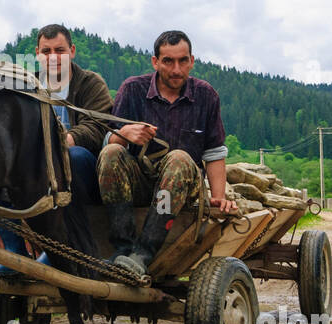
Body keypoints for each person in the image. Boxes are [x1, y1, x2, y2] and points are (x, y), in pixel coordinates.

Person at [98, 29, 237, 276]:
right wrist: (125, 133)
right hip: (141, 181)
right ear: (155, 62)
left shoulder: (206, 95)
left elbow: (214, 153)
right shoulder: (132, 89)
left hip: (184, 186)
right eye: (168, 61)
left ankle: (143, 252)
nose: (176, 69)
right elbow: (109, 140)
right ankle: (122, 247)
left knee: (179, 158)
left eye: (183, 61)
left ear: (192, 61)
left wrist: (219, 197)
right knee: (110, 153)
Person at [0, 24, 112, 275]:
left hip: (82, 169)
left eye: (60, 50)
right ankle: (15, 253)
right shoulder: (26, 85)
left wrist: (62, 141)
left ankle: (56, 250)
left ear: (72, 51)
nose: (53, 57)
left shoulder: (90, 83)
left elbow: (98, 126)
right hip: (36, 166)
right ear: (37, 53)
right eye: (47, 51)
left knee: (73, 158)